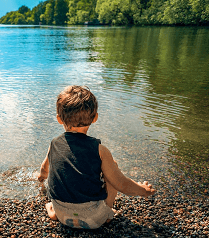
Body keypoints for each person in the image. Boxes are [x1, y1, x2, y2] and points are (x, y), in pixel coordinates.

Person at [38, 85, 156, 229]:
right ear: (95, 118)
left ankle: (53, 211)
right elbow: (121, 183)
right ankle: (108, 212)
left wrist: (40, 179)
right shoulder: (99, 150)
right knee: (112, 166)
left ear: (59, 119)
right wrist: (143, 190)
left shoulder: (54, 144)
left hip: (62, 215)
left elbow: (44, 169)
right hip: (94, 219)